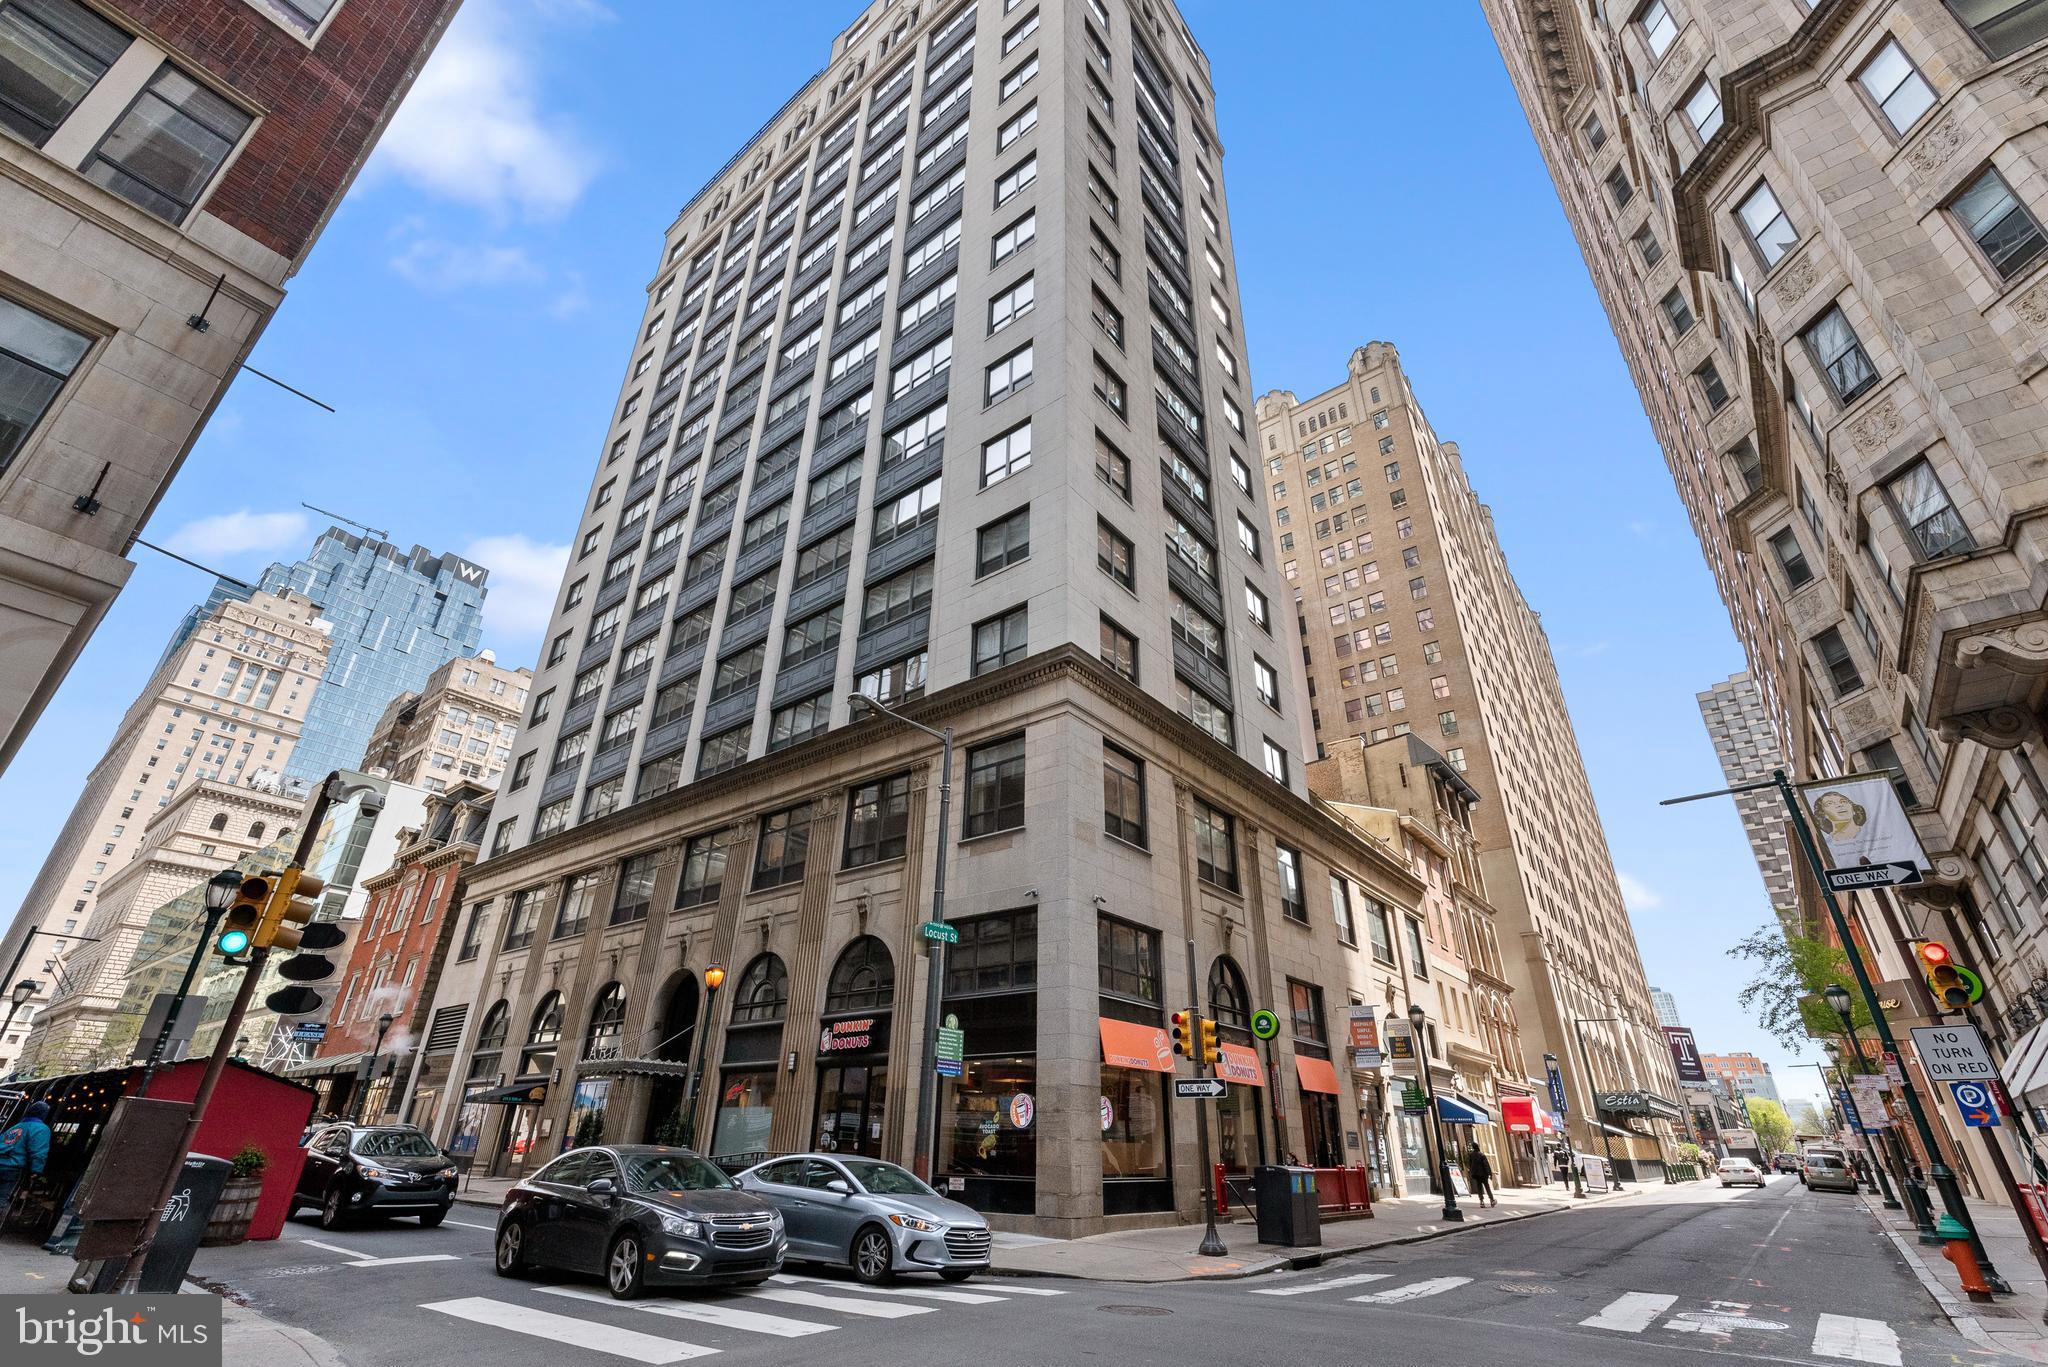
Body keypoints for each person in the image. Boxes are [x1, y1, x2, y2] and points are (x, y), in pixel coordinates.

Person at [0, 1101, 52, 1226]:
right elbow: (39, 1152)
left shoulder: (15, 1127)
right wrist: (36, 1170)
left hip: (2, 1163)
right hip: (13, 1168)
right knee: (2, 1198)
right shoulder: (40, 1129)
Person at [1465, 1139, 1497, 1208]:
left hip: (1476, 1175)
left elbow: (1470, 1165)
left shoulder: (1471, 1155)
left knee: (1479, 1188)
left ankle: (1481, 1201)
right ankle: (1491, 1199)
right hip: (1483, 1174)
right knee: (1487, 1187)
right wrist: (1489, 1174)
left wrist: (1472, 1172)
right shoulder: (1482, 1155)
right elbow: (1486, 1165)